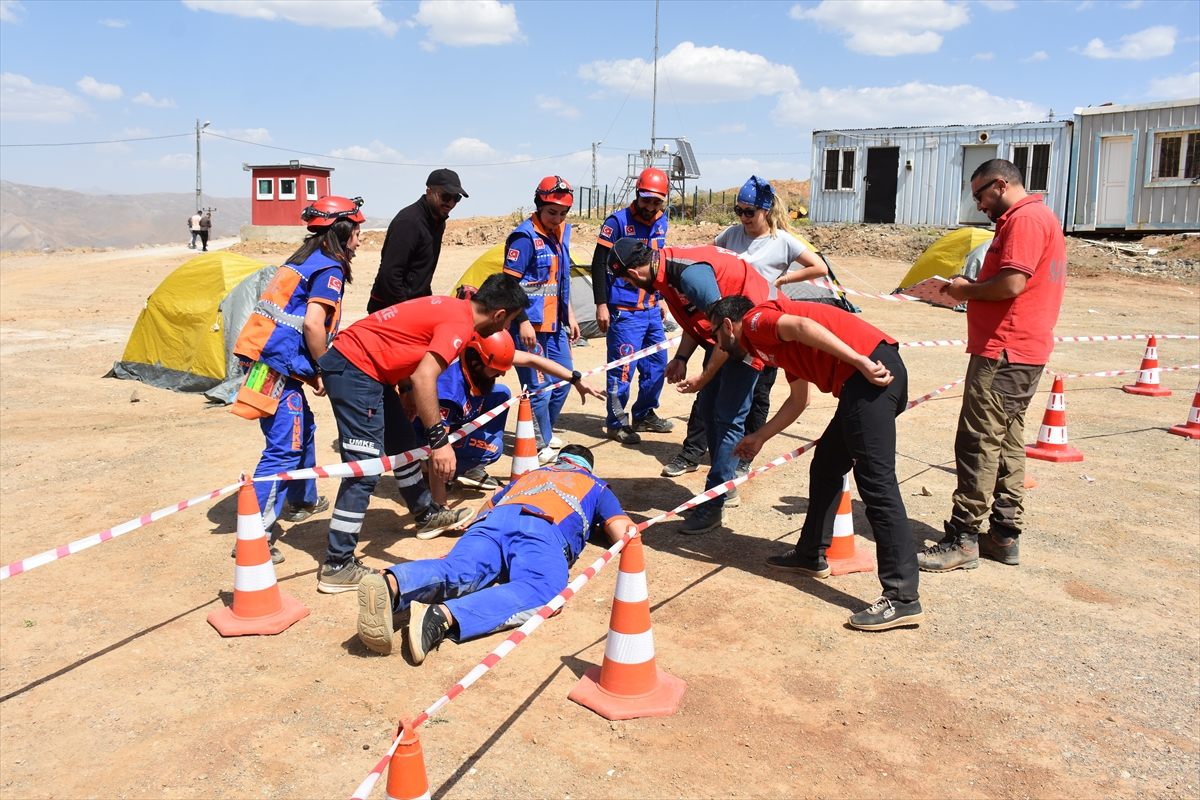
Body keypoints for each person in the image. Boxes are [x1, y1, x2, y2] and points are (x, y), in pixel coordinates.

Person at [709, 294, 923, 630]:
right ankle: (810, 554)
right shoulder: (770, 348)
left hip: (869, 374)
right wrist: (760, 436)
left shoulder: (755, 322)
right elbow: (799, 400)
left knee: (877, 484)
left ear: (727, 326)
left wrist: (860, 361)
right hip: (861, 380)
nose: (717, 344)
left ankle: (903, 597)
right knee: (826, 465)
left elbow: (803, 326)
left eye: (715, 337)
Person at [314, 272, 531, 594]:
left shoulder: (453, 308)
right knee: (365, 469)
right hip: (355, 368)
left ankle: (427, 513)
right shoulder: (460, 325)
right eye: (509, 322)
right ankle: (337, 564)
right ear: (499, 314)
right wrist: (440, 443)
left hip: (371, 371)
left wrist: (402, 388)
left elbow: (402, 342)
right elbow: (425, 377)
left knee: (402, 444)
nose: (505, 329)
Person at [919, 158, 1067, 573]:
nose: (980, 206)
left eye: (981, 196)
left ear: (1000, 185)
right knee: (1006, 441)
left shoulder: (1024, 220)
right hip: (1021, 350)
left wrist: (965, 289)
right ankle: (1003, 535)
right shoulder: (1039, 217)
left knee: (978, 441)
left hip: (1004, 350)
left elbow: (1012, 283)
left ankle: (963, 538)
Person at [354, 445, 635, 662]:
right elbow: (623, 532)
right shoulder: (596, 486)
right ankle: (443, 616)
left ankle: (392, 583)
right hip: (541, 529)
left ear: (560, 460)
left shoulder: (530, 475)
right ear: (587, 467)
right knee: (545, 589)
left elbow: (488, 505)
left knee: (460, 568)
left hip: (491, 522)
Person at [664, 176, 830, 479]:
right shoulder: (731, 235)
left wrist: (782, 281)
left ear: (765, 210)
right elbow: (703, 257)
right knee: (708, 390)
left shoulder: (783, 242)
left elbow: (819, 267)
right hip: (725, 327)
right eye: (738, 211)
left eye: (749, 212)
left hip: (761, 331)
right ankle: (691, 451)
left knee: (757, 397)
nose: (743, 218)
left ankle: (742, 456)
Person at [231, 196, 361, 563]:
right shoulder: (329, 270)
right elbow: (313, 324)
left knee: (301, 428)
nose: (359, 240)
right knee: (283, 447)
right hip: (273, 367)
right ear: (342, 230)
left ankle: (302, 499)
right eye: (356, 232)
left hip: (264, 360)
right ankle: (254, 537)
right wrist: (324, 368)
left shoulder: (305, 258)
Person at [607, 238, 768, 534]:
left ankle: (714, 503)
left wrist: (704, 377)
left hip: (749, 337)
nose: (628, 286)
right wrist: (682, 357)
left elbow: (728, 327)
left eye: (625, 279)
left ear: (636, 271)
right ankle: (725, 485)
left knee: (729, 418)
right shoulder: (664, 271)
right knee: (709, 409)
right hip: (729, 337)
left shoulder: (688, 275)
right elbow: (699, 320)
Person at [408, 329, 605, 540]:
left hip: (453, 425)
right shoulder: (449, 391)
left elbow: (531, 359)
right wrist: (442, 507)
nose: (502, 373)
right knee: (492, 449)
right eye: (496, 369)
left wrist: (575, 379)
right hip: (426, 438)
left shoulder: (483, 358)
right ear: (476, 365)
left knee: (501, 393)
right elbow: (438, 446)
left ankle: (455, 468)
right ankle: (433, 468)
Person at [367, 169, 467, 524]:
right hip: (390, 317)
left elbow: (417, 277)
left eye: (455, 199)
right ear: (429, 191)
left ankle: (416, 457)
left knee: (409, 398)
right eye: (446, 197)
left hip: (412, 312)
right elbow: (391, 274)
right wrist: (409, 318)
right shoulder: (409, 222)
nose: (451, 204)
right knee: (405, 392)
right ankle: (407, 453)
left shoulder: (435, 220)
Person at [590, 167, 674, 445]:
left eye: (656, 202)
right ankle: (616, 422)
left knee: (657, 365)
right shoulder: (616, 222)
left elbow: (657, 263)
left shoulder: (662, 222)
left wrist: (660, 298)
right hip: (624, 312)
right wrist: (601, 304)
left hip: (651, 308)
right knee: (623, 370)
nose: (650, 207)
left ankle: (645, 414)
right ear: (637, 194)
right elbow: (599, 264)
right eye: (646, 200)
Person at [505, 176, 580, 463]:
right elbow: (509, 285)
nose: (557, 218)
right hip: (529, 327)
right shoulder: (524, 238)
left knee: (563, 380)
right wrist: (522, 321)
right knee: (538, 389)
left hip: (555, 325)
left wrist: (570, 315)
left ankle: (544, 433)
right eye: (552, 212)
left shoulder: (561, 234)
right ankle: (539, 443)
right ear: (539, 205)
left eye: (563, 213)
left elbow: (560, 282)